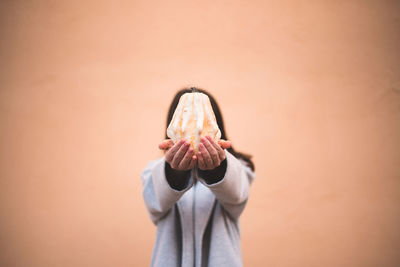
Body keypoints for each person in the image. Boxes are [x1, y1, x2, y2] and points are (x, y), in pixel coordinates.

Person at [141, 87, 255, 267]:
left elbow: (236, 196)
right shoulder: (154, 172)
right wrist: (175, 173)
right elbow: (156, 204)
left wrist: (216, 170)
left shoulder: (239, 168)